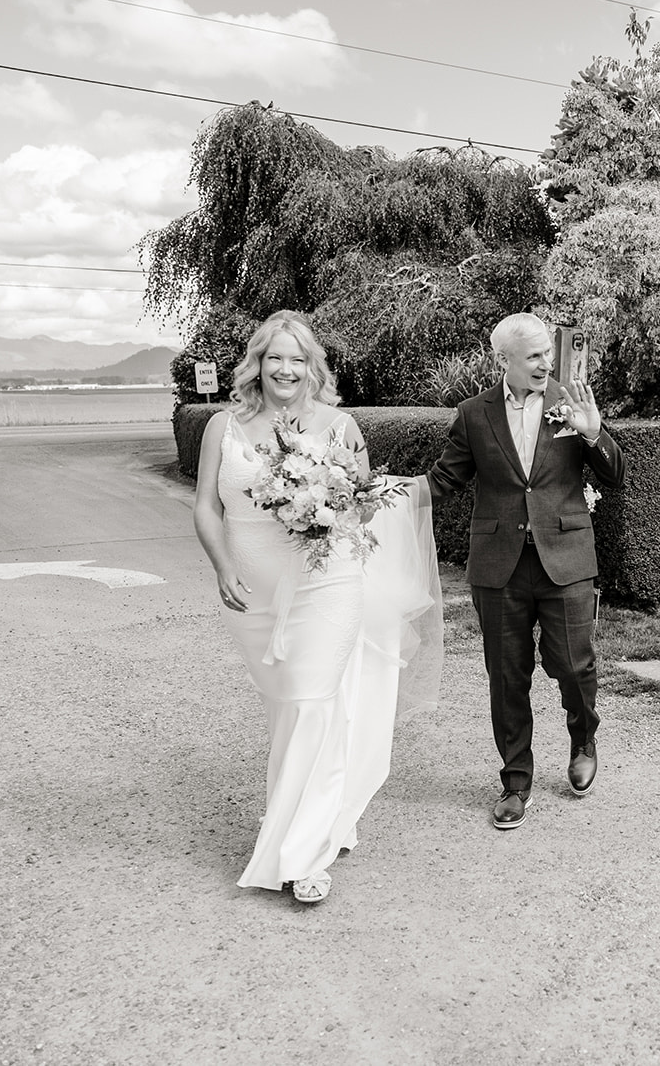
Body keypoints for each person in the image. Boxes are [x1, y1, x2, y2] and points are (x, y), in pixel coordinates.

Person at [192, 310, 441, 903]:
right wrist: (222, 566)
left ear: (312, 368)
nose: (286, 369)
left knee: (312, 702)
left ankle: (300, 854)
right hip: (252, 594)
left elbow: (363, 504)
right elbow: (205, 506)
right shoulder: (222, 427)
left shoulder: (340, 426)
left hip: (328, 583)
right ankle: (315, 815)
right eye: (275, 357)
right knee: (288, 708)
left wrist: (326, 496)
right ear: (257, 364)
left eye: (297, 359)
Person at [416, 312, 625, 830]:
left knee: (574, 665)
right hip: (499, 566)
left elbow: (616, 475)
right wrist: (387, 495)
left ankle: (583, 740)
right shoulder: (473, 414)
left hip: (565, 559)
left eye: (547, 353)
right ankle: (515, 781)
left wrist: (593, 434)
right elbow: (444, 479)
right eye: (533, 356)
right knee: (507, 677)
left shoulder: (570, 402)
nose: (545, 363)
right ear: (502, 359)